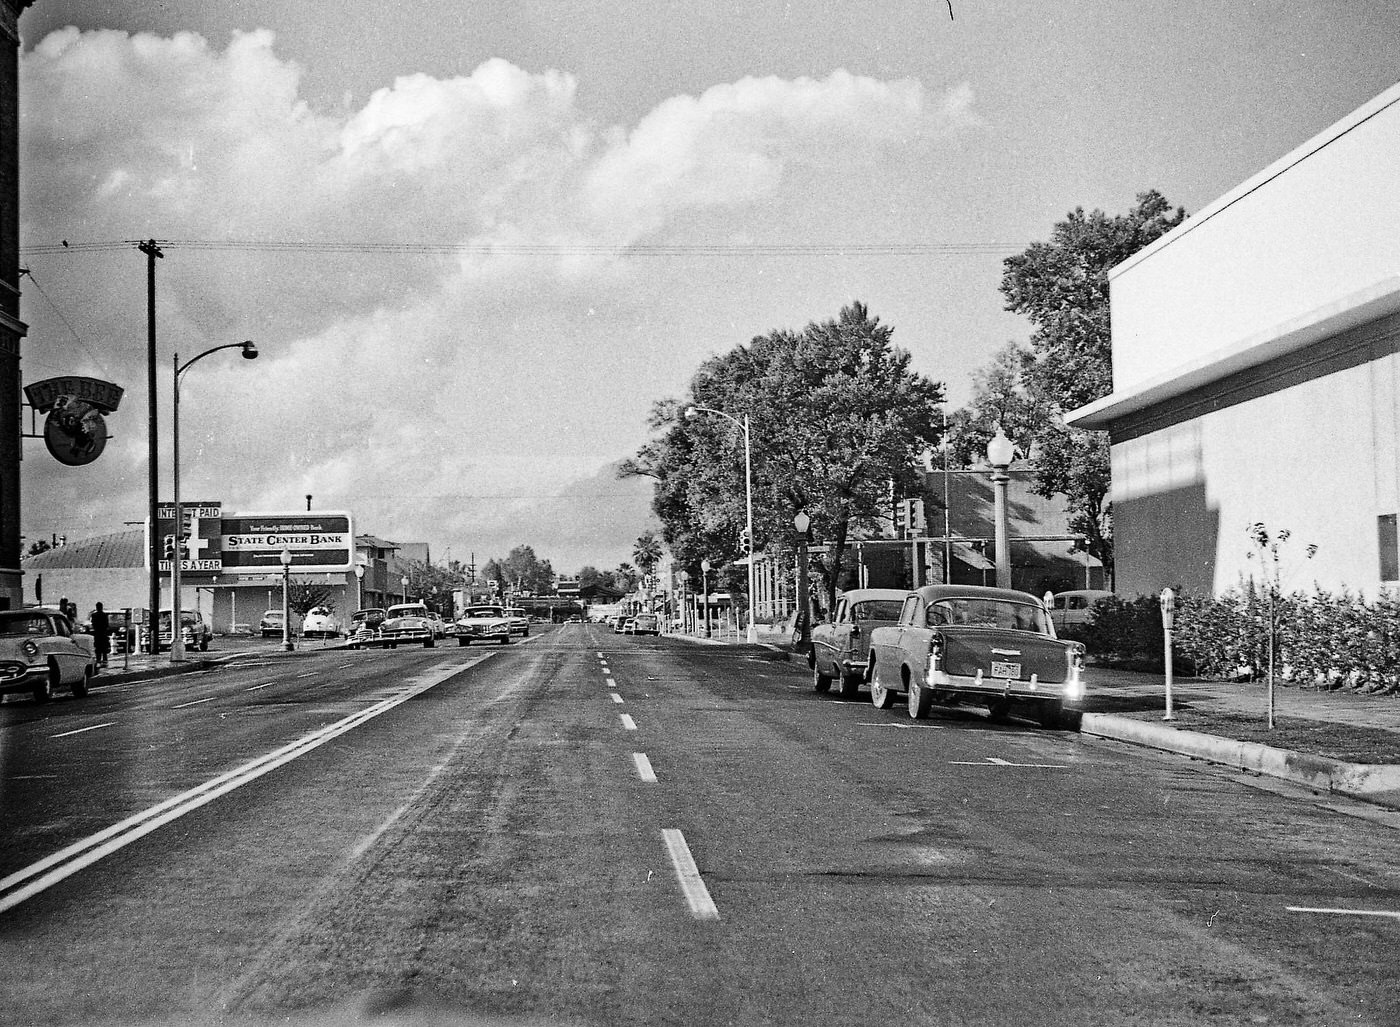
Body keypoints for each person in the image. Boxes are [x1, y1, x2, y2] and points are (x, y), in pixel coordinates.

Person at [90, 602, 111, 667]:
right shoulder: (104, 615)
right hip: (103, 633)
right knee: (104, 648)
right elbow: (107, 624)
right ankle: (105, 660)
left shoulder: (94, 615)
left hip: (97, 633)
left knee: (98, 648)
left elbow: (93, 624)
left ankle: (98, 660)